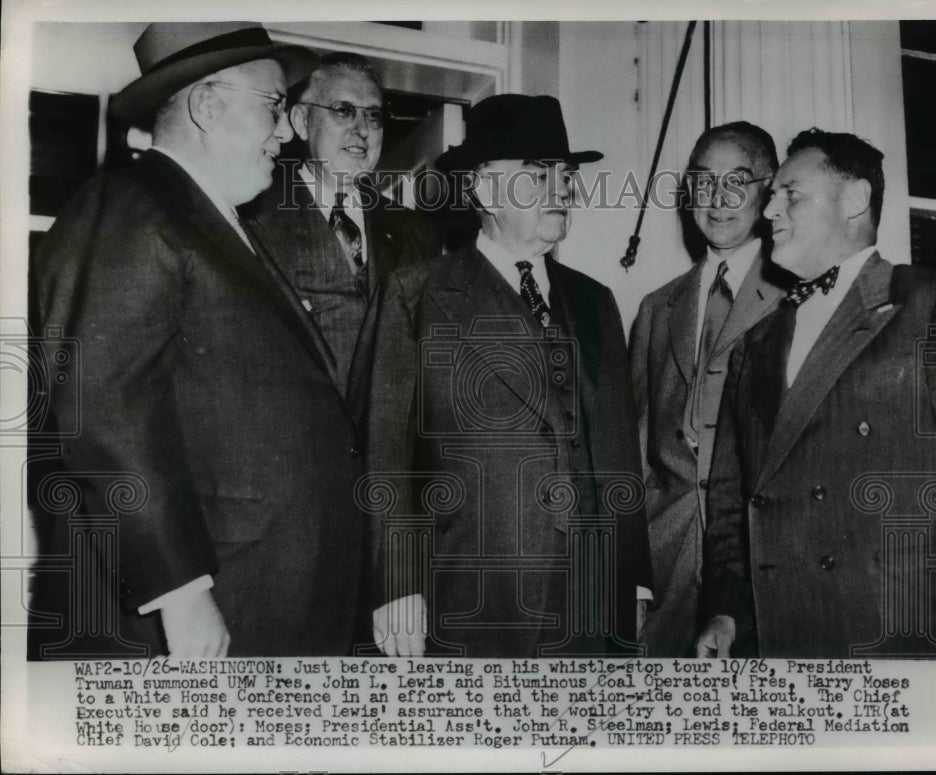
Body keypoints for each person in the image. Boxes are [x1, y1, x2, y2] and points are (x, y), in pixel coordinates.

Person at [31, 22, 369, 658]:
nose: (288, 131)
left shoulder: (219, 223)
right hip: (201, 605)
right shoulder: (131, 204)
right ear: (207, 106)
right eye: (273, 105)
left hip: (262, 592)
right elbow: (102, 407)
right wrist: (180, 589)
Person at [364, 94, 652, 657]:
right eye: (537, 173)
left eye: (565, 174)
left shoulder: (596, 302)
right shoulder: (417, 295)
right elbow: (386, 452)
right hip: (474, 598)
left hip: (594, 605)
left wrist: (635, 578)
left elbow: (619, 450)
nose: (562, 187)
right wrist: (396, 587)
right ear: (483, 190)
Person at [697, 128, 936, 659]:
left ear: (856, 199)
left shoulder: (932, 305)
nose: (769, 211)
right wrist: (724, 611)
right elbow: (729, 499)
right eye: (772, 196)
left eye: (790, 194)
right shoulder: (753, 341)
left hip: (896, 637)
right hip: (776, 635)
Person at [630, 121, 786, 657]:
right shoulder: (656, 308)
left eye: (737, 181)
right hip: (664, 564)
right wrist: (631, 570)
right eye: (703, 182)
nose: (717, 200)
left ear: (770, 189)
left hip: (761, 563)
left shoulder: (796, 298)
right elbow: (637, 452)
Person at [241, 53, 436, 424]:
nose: (362, 129)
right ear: (300, 121)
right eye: (343, 111)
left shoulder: (415, 231)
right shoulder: (252, 216)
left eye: (373, 115)